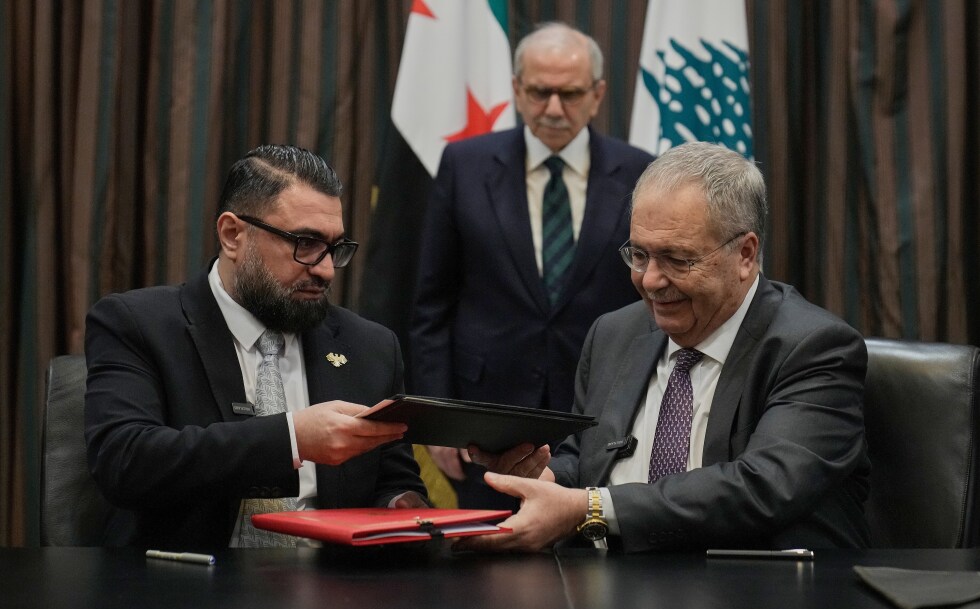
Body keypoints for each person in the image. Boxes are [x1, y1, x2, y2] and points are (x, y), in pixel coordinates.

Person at [458, 141, 872, 552]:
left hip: (751, 584)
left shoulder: (814, 348)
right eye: (639, 255)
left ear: (745, 255)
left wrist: (589, 507)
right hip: (608, 582)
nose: (651, 280)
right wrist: (545, 480)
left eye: (677, 259)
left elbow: (761, 486)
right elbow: (585, 461)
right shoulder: (614, 334)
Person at [84, 145, 427, 550]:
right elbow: (125, 462)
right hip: (187, 581)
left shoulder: (370, 346)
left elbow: (393, 480)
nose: (325, 269)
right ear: (233, 235)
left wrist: (401, 505)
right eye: (305, 243)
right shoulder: (137, 324)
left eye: (335, 248)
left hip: (331, 581)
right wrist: (292, 438)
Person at [410, 22, 654, 508]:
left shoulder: (641, 172)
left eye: (571, 93)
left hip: (600, 413)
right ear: (518, 91)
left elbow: (647, 301)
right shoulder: (465, 165)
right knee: (487, 549)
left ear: (598, 95)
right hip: (487, 418)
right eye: (541, 92)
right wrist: (439, 420)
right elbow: (432, 304)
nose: (555, 108)